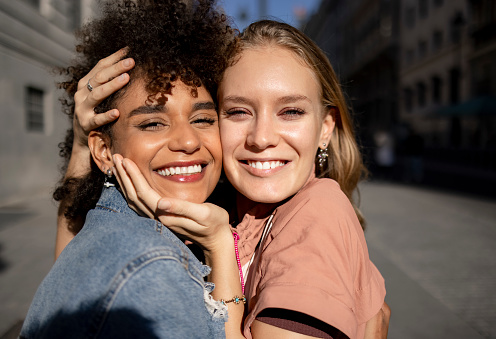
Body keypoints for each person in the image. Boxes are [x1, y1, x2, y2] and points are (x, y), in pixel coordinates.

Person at [58, 19, 390, 339]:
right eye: (238, 111)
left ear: (326, 127)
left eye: (291, 112)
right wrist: (80, 142)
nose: (261, 138)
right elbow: (74, 280)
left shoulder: (317, 212)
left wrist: (219, 248)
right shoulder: (228, 210)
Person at [20, 1, 236, 337]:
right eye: (152, 124)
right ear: (103, 151)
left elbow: (65, 256)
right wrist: (221, 247)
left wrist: (81, 145)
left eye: (203, 119)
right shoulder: (154, 267)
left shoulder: (102, 236)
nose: (188, 141)